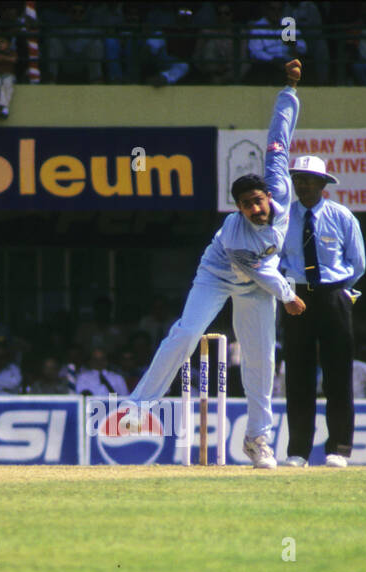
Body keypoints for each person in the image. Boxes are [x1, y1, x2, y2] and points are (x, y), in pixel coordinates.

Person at [121, 59, 305, 469]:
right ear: (237, 209)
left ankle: (258, 440)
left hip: (259, 285)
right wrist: (290, 297)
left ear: (266, 196)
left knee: (262, 361)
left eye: (258, 202)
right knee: (186, 334)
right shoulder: (234, 234)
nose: (255, 210)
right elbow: (263, 272)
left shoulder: (279, 185)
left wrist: (289, 91)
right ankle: (136, 409)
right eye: (245, 206)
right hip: (220, 275)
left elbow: (279, 138)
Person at [277, 155, 366, 468]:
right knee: (298, 377)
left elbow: (357, 263)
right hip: (296, 297)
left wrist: (340, 293)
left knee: (338, 377)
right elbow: (277, 260)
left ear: (323, 184)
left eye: (310, 179)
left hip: (333, 296)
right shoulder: (284, 218)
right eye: (298, 179)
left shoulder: (341, 216)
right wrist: (287, 290)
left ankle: (339, 450)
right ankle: (298, 452)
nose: (303, 184)